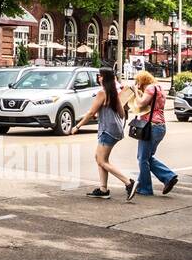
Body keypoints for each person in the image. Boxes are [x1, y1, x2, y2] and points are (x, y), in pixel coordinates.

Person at [74, 67, 136, 200]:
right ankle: (103, 189)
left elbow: (90, 113)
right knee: (99, 158)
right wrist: (104, 112)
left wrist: (77, 126)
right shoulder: (114, 93)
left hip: (107, 130)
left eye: (100, 76)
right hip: (116, 129)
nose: (98, 78)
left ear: (105, 78)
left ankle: (128, 182)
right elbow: (121, 113)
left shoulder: (102, 93)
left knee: (102, 160)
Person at [126, 70, 178, 197]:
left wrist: (135, 91)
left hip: (151, 127)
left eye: (138, 82)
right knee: (147, 157)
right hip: (160, 126)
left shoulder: (150, 88)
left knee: (142, 158)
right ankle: (168, 177)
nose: (137, 84)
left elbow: (141, 103)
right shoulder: (159, 88)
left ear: (142, 81)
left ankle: (146, 188)